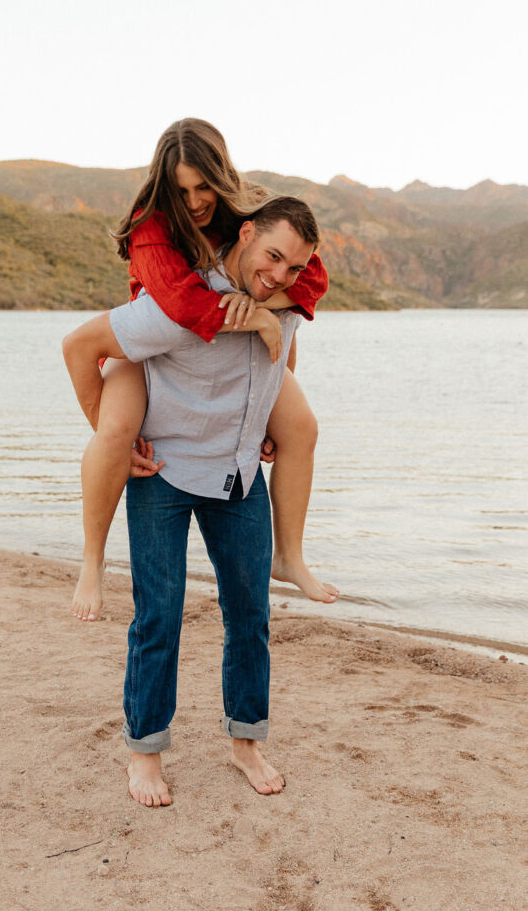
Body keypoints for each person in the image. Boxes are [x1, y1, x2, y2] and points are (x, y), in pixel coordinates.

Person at [62, 195, 320, 805]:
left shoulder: (282, 303)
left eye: (294, 267)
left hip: (236, 478)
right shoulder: (177, 304)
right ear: (248, 232)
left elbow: (281, 364)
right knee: (159, 619)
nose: (280, 274)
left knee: (249, 617)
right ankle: (145, 752)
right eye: (273, 256)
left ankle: (245, 743)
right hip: (165, 476)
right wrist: (110, 434)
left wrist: (267, 424)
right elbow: (82, 347)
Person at [71, 118, 338, 623]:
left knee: (301, 427)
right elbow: (177, 305)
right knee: (115, 431)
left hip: (223, 334)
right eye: (182, 190)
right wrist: (252, 315)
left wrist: (266, 304)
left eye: (204, 187)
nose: (195, 202)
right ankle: (91, 561)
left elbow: (312, 274)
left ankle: (290, 556)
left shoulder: (246, 209)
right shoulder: (152, 224)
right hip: (152, 337)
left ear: (221, 176)